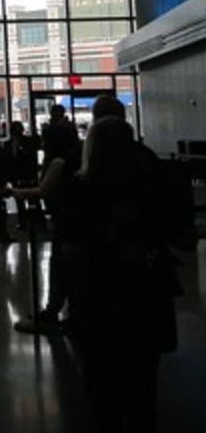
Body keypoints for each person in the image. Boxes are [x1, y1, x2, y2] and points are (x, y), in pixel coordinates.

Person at [68, 116, 192, 432]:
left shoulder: (83, 188)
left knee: (104, 388)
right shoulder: (152, 182)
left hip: (100, 294)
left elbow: (75, 239)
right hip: (145, 291)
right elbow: (176, 230)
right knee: (143, 379)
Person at [11, 116, 79, 331]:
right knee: (71, 268)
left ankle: (52, 311)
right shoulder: (76, 157)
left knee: (59, 266)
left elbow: (43, 190)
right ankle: (72, 312)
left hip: (64, 220)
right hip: (73, 220)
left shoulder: (59, 163)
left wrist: (14, 192)